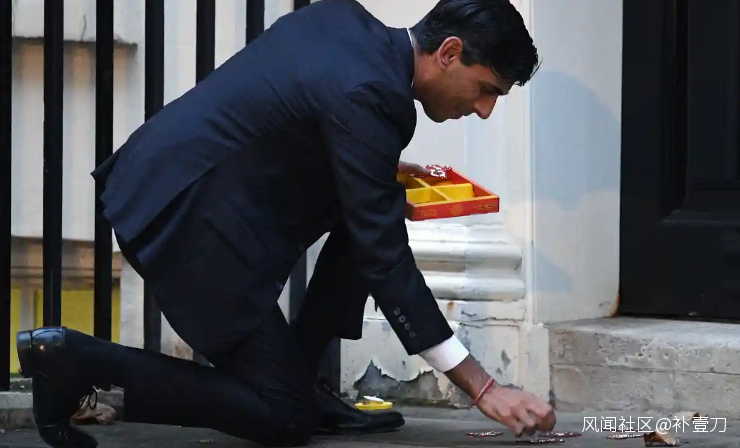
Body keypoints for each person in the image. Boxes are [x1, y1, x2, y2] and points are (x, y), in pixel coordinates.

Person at [17, 0, 555, 447]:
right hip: (185, 223)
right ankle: (74, 360)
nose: (484, 109)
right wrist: (482, 387)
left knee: (378, 204)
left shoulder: (342, 20)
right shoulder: (371, 95)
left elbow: (286, 112)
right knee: (284, 416)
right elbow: (385, 259)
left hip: (168, 184)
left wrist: (372, 169)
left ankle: (305, 376)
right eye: (487, 89)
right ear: (450, 53)